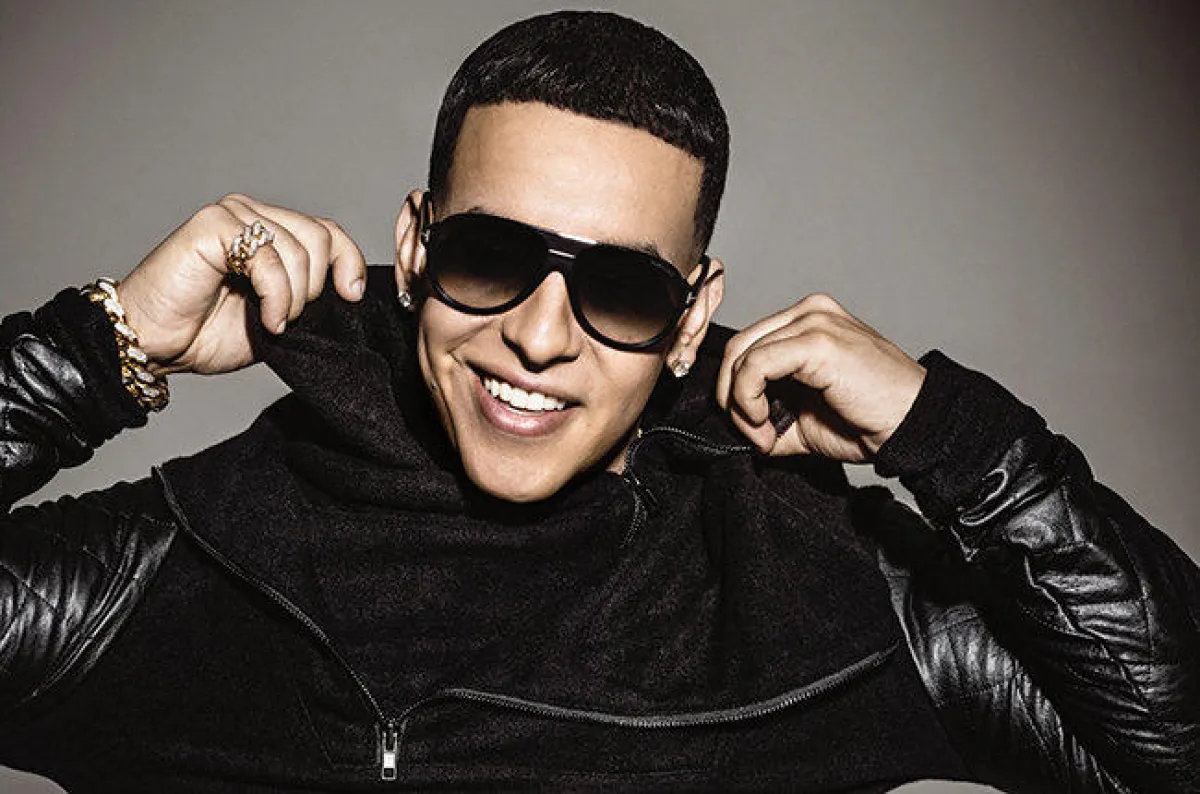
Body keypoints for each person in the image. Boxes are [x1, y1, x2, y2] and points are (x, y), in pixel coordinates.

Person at [0, 9, 1196, 793]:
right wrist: (103, 346)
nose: (539, 334)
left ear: (691, 316)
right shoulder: (184, 559)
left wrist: (952, 434)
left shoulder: (800, 591)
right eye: (490, 257)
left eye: (621, 289)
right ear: (413, 246)